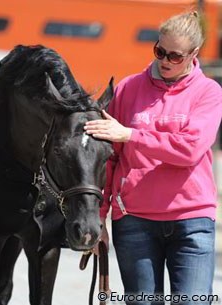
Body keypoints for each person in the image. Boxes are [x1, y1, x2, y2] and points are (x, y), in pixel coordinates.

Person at [84, 10, 222, 305]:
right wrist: (99, 218)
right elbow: (110, 159)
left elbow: (190, 149)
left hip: (192, 221)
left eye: (175, 56)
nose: (164, 60)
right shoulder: (128, 88)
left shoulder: (208, 92)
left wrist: (131, 135)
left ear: (193, 54)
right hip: (134, 222)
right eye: (160, 50)